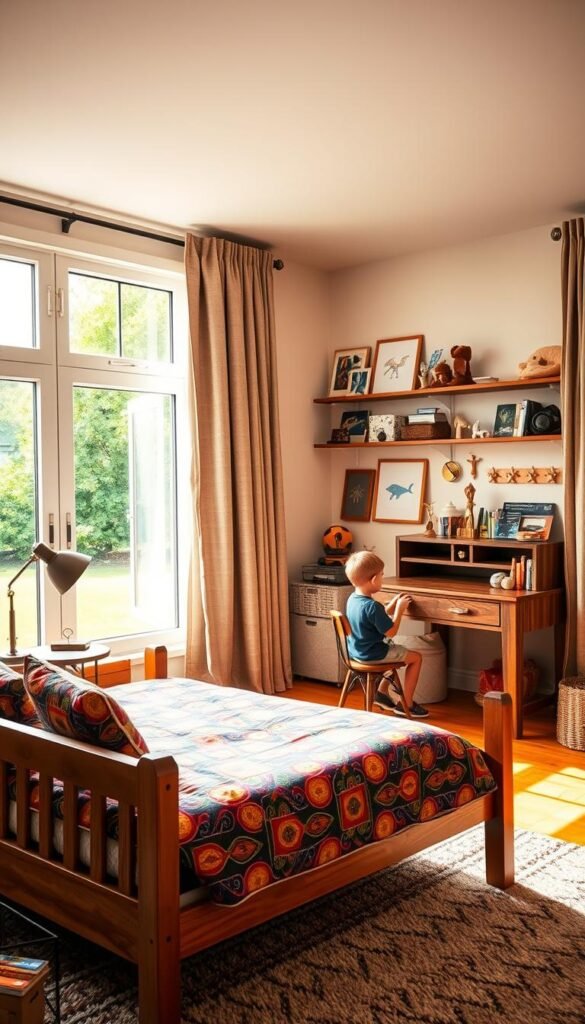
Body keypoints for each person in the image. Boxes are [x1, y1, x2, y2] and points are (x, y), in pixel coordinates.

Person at [344, 550, 428, 718]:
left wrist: (392, 606)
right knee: (416, 658)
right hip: (374, 654)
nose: (383, 578)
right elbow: (391, 632)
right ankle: (407, 704)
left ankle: (381, 693)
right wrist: (399, 610)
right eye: (382, 575)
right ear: (374, 579)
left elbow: (375, 619)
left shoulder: (353, 599)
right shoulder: (372, 606)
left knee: (395, 652)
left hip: (357, 653)